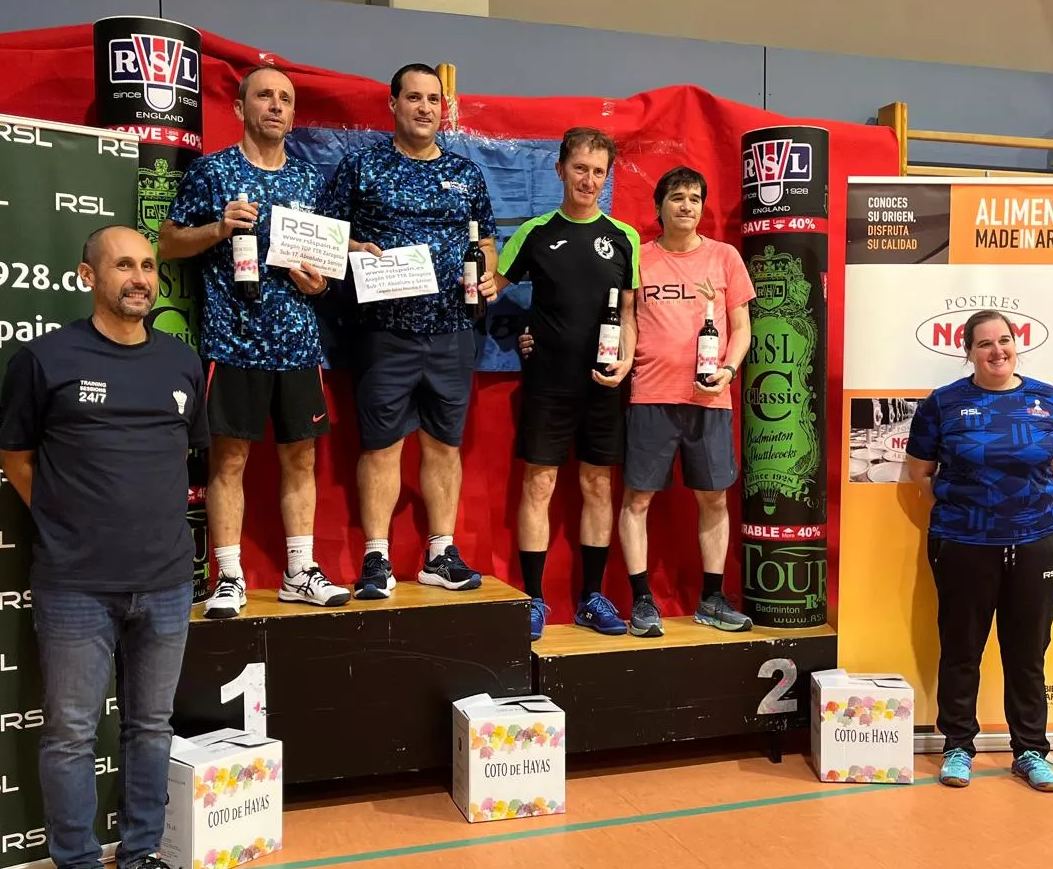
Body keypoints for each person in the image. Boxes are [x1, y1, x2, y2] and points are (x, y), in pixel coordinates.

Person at [0, 225, 206, 869]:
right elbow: (17, 457)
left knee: (151, 726)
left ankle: (141, 858)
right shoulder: (46, 360)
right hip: (74, 585)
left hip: (166, 583)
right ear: (89, 275)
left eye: (148, 265)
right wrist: (67, 524)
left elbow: (189, 460)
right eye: (124, 264)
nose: (140, 277)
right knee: (71, 733)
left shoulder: (182, 363)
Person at [159, 64, 347, 618]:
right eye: (264, 96)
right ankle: (230, 577)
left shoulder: (311, 182)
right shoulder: (213, 173)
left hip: (298, 346)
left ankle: (299, 571)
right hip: (231, 342)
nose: (275, 106)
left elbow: (326, 266)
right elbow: (167, 242)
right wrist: (218, 229)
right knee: (229, 462)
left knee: (301, 461)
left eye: (285, 99)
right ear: (240, 108)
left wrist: (321, 281)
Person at [323, 63, 499, 599]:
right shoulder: (360, 167)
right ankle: (376, 558)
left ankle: (440, 554)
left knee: (444, 445)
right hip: (384, 332)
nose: (425, 108)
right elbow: (325, 239)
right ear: (393, 104)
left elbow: (486, 240)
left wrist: (489, 272)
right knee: (380, 447)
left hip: (452, 331)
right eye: (414, 97)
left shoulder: (466, 174)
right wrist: (350, 249)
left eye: (433, 100)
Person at [904, 309, 1053, 794]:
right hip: (964, 543)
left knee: (1027, 654)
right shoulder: (945, 404)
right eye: (985, 343)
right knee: (962, 650)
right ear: (969, 351)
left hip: (1035, 542)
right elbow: (920, 472)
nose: (997, 350)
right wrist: (967, 506)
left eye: (1004, 340)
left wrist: (1018, 510)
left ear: (1016, 343)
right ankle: (958, 746)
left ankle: (1030, 751)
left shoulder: (1047, 399)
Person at [494, 127, 640, 639]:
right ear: (560, 170)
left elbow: (628, 311)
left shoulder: (625, 237)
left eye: (599, 172)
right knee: (540, 483)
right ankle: (534, 599)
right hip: (547, 384)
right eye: (581, 168)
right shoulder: (534, 232)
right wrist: (518, 331)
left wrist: (625, 360)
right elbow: (491, 288)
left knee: (598, 485)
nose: (589, 180)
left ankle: (591, 598)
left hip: (604, 384)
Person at [617, 167, 754, 636]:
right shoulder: (638, 257)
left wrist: (729, 371)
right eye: (677, 197)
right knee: (637, 498)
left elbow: (742, 329)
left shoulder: (725, 258)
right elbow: (626, 321)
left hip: (710, 399)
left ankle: (711, 599)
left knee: (713, 497)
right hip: (650, 394)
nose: (686, 206)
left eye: (695, 198)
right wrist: (620, 362)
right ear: (660, 206)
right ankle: (640, 602)